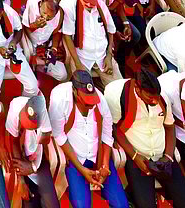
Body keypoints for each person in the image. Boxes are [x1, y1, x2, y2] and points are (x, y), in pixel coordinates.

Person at [105, 70, 185, 208]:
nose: (154, 100)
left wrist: (168, 156)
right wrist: (135, 156)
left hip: (163, 157)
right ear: (137, 88)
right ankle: (134, 195)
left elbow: (169, 126)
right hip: (138, 156)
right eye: (149, 96)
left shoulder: (162, 98)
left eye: (156, 96)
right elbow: (115, 129)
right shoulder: (118, 96)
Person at [47, 69, 128, 208]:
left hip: (98, 157)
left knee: (122, 205)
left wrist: (105, 165)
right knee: (82, 205)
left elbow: (107, 134)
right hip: (75, 160)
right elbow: (58, 135)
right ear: (75, 92)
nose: (91, 105)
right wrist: (81, 169)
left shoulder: (100, 100)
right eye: (87, 101)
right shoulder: (59, 99)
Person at [60, 0, 116, 80]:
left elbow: (111, 30)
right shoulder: (70, 6)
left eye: (92, 2)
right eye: (86, 1)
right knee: (85, 91)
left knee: (118, 89)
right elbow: (67, 36)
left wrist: (109, 55)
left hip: (102, 56)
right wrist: (78, 64)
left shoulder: (101, 6)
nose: (89, 5)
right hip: (82, 57)